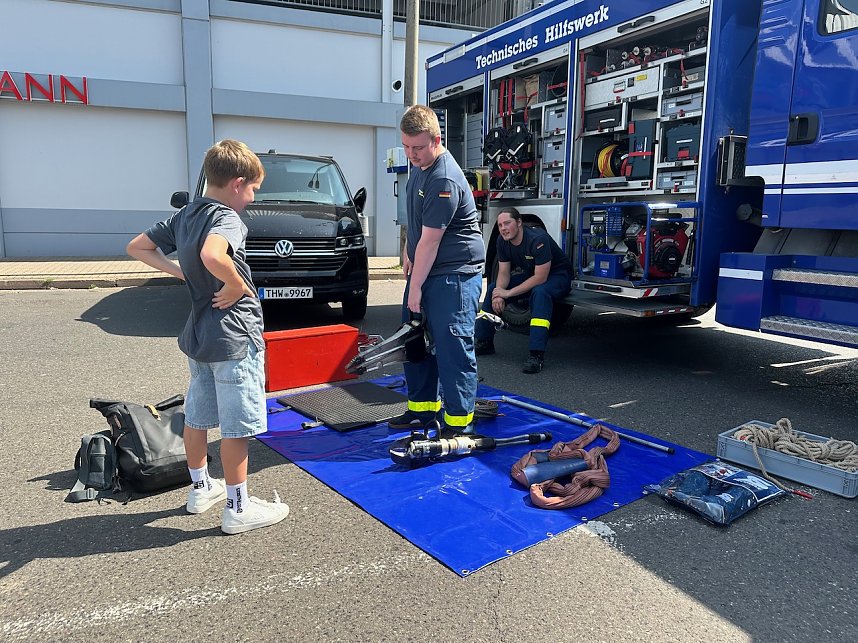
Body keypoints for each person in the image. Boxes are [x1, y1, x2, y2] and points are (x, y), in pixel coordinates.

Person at [127, 139, 289, 535]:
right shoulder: (227, 218)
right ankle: (238, 507)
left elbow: (138, 247)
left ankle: (201, 488)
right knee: (237, 426)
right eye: (252, 189)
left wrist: (181, 273)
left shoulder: (184, 216)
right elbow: (214, 255)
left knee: (197, 414)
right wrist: (234, 283)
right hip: (234, 336)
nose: (251, 198)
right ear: (237, 183)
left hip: (199, 334)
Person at [388, 105, 486, 434]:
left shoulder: (444, 177)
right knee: (413, 340)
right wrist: (406, 252)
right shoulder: (420, 167)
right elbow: (415, 223)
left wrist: (414, 288)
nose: (411, 154)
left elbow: (431, 242)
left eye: (417, 147)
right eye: (406, 146)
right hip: (426, 268)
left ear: (436, 140)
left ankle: (459, 423)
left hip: (454, 274)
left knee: (452, 347)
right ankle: (422, 410)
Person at [474, 206, 572, 374]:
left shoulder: (537, 239)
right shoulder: (502, 241)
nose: (503, 228)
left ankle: (536, 355)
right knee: (492, 290)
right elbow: (504, 273)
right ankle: (484, 342)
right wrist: (499, 293)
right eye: (500, 225)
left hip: (557, 276)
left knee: (540, 293)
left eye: (507, 223)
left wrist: (508, 293)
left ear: (519, 223)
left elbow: (541, 278)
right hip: (532, 274)